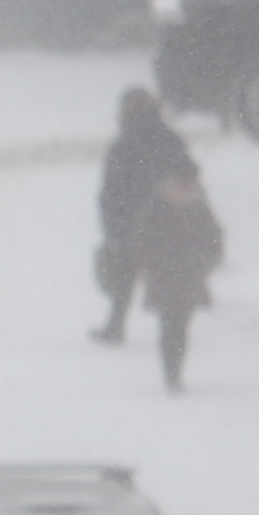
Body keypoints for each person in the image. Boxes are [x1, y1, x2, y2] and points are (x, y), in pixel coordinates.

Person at [94, 84, 199, 345]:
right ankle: (174, 330)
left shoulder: (123, 145)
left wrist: (113, 228)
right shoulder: (170, 139)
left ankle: (116, 324)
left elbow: (111, 192)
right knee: (170, 279)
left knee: (124, 275)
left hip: (131, 222)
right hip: (168, 221)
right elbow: (189, 173)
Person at [136, 169, 226, 389]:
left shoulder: (199, 206)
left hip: (189, 275)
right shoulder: (158, 205)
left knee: (181, 326)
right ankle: (171, 372)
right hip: (164, 275)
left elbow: (213, 237)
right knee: (169, 325)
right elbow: (144, 237)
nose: (184, 185)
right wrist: (149, 261)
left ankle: (175, 371)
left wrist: (206, 261)